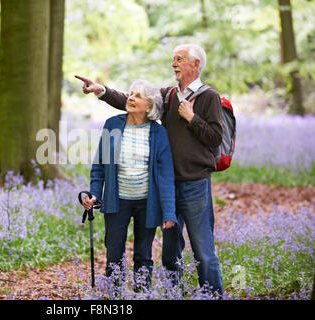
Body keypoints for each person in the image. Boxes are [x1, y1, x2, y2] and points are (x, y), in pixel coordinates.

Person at [76, 44, 224, 296]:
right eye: (173, 59)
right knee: (169, 252)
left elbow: (214, 137)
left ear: (195, 64)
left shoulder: (208, 96)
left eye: (179, 59)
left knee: (203, 249)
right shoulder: (167, 95)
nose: (173, 63)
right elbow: (136, 102)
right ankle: (171, 293)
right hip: (165, 185)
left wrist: (192, 117)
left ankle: (213, 295)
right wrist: (101, 91)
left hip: (194, 183)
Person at [81, 79, 176, 287]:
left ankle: (143, 293)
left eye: (138, 96)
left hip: (147, 203)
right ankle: (115, 297)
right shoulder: (112, 125)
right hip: (117, 201)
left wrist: (169, 212)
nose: (131, 98)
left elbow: (166, 176)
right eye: (131, 94)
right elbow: (99, 167)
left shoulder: (159, 133)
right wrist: (94, 194)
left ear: (149, 106)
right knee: (114, 253)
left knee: (143, 255)